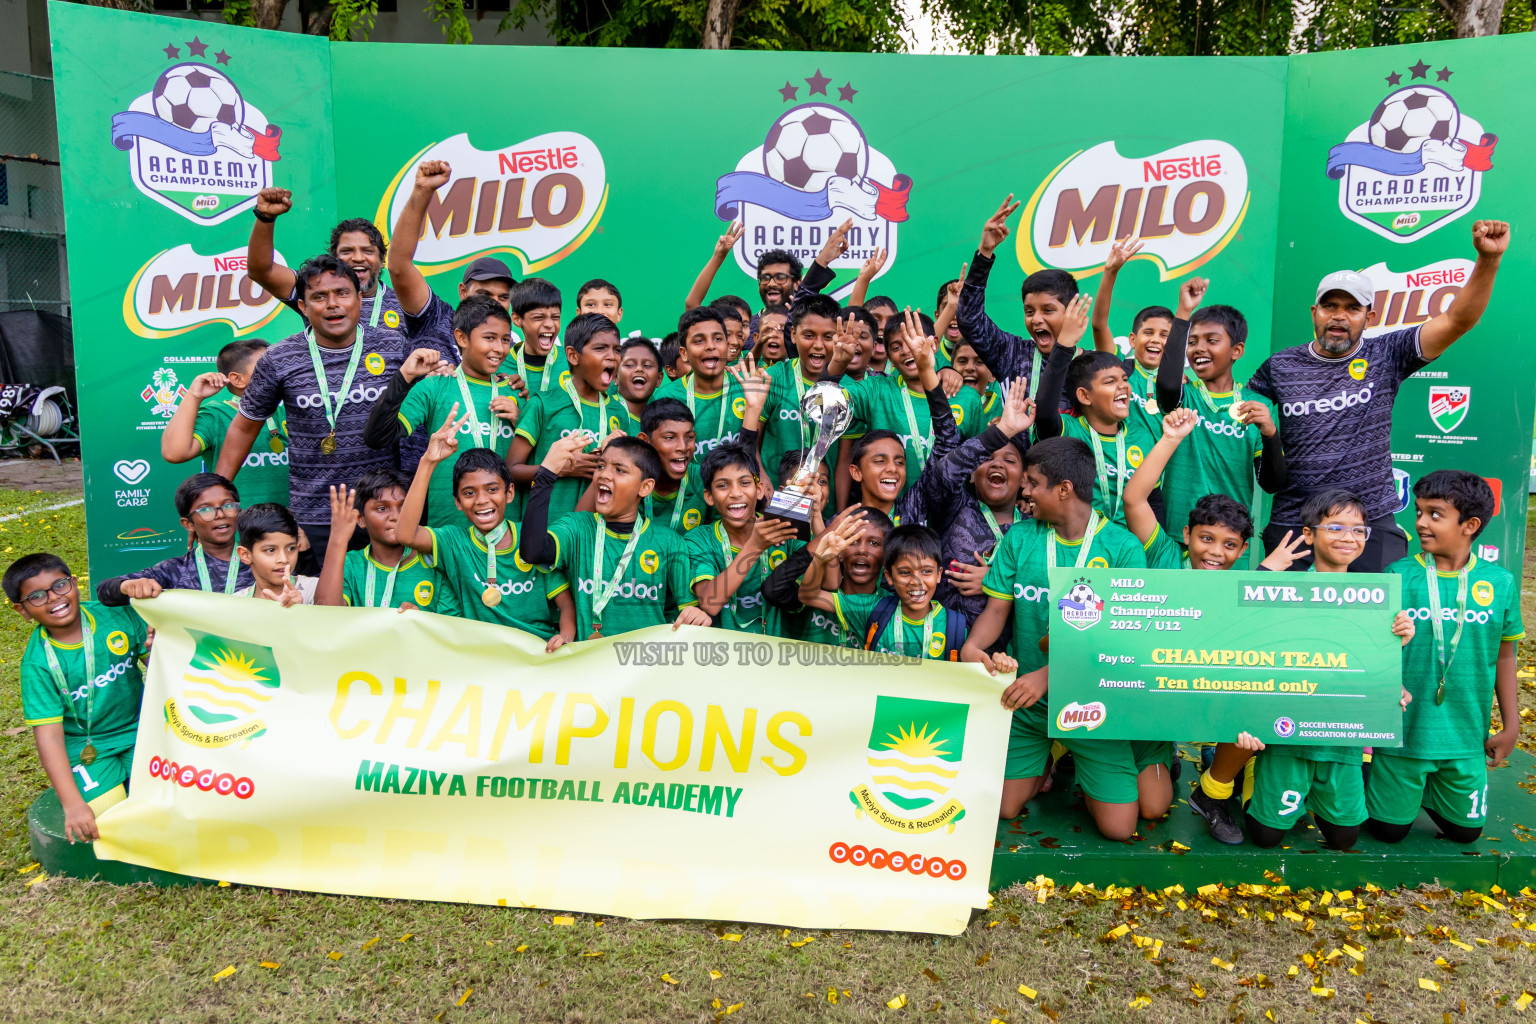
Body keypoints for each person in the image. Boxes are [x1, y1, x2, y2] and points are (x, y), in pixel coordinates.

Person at [1247, 219, 1510, 571]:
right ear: (1314, 312)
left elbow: (1456, 320)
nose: (1339, 317)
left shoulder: (1387, 354)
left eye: (1352, 308)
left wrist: (1488, 261)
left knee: (1378, 625)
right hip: (1297, 521)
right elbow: (1241, 423)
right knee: (1286, 624)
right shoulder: (1278, 366)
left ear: (1369, 317)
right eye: (1330, 306)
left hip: (1368, 523)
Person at [961, 436, 1156, 839]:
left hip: (1091, 705)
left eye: (1032, 483)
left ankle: (1079, 758)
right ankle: (1047, 753)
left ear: (1063, 489)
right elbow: (998, 609)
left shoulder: (1121, 547)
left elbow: (1116, 641)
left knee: (1120, 829)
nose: (1024, 490)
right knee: (1003, 808)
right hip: (1027, 703)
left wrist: (1050, 675)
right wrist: (973, 646)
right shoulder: (1020, 537)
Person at [217, 255, 431, 570]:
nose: (332, 304)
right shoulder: (278, 358)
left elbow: (436, 400)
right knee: (321, 609)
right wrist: (212, 497)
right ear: (303, 306)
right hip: (314, 516)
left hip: (386, 509)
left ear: (359, 298)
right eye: (319, 296)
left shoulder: (396, 347)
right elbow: (244, 427)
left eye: (342, 293)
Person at [1121, 409, 1260, 844]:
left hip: (1210, 690)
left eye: (1229, 545)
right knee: (1153, 806)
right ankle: (1165, 754)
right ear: (1185, 533)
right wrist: (1170, 439)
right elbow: (1134, 501)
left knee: (1257, 712)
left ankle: (1214, 790)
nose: (1215, 552)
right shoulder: (1162, 554)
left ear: (1242, 550)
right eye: (1206, 538)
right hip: (1157, 691)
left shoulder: (1244, 586)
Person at [1368, 471, 1522, 845]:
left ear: (1470, 525)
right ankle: (1379, 778)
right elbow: (1376, 652)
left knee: (1466, 834)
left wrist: (1511, 725)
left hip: (1465, 735)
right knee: (1389, 833)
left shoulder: (1499, 582)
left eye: (1435, 514)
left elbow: (1504, 655)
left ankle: (1428, 790)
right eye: (1419, 512)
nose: (1420, 522)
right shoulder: (1397, 574)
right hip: (1404, 735)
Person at [396, 416, 574, 646]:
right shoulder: (453, 541)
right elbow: (405, 535)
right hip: (481, 659)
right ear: (457, 502)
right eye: (469, 493)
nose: (481, 500)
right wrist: (428, 462)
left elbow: (566, 606)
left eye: (492, 489)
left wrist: (566, 637)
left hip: (536, 652)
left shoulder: (531, 538)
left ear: (509, 493)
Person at [11, 551, 151, 843]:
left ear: (74, 583)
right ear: (21, 610)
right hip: (88, 744)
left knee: (167, 797)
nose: (53, 598)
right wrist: (72, 804)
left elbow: (162, 666)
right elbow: (48, 737)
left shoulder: (116, 615)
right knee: (107, 821)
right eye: (37, 596)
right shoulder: (37, 665)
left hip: (142, 729)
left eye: (60, 585)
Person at [519, 433, 711, 638]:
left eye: (619, 470)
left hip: (647, 665)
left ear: (645, 487)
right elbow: (533, 552)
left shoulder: (670, 542)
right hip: (591, 664)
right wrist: (546, 474)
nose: (604, 475)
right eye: (601, 466)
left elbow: (688, 613)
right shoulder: (578, 528)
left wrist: (698, 614)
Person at [362, 295, 519, 527]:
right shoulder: (435, 386)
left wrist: (520, 419)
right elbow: (377, 437)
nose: (499, 348)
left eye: (505, 340)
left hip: (508, 532)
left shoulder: (517, 392)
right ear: (461, 337)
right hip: (447, 534)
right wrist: (405, 376)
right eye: (489, 338)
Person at [1153, 303, 1288, 545]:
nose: (1198, 348)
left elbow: (1271, 484)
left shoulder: (1259, 406)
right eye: (1192, 342)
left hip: (1229, 543)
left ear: (1236, 350)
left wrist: (1270, 433)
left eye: (1211, 340)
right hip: (1176, 536)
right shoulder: (1183, 397)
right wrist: (1183, 315)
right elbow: (1167, 385)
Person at [835, 310, 979, 506]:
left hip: (949, 518)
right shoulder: (876, 391)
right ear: (889, 357)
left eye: (913, 340)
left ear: (934, 343)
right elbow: (823, 403)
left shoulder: (967, 398)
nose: (906, 350)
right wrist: (838, 362)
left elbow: (979, 464)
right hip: (892, 518)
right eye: (896, 347)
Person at [1033, 306, 1155, 529]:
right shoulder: (1068, 432)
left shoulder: (1143, 437)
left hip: (1128, 550)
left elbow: (1153, 500)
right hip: (1076, 546)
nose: (1123, 386)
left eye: (1124, 379)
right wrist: (1064, 346)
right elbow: (1044, 410)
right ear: (1084, 396)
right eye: (1110, 382)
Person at [926, 383, 1034, 632]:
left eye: (1009, 460)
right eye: (987, 459)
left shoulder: (1034, 529)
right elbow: (943, 473)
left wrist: (993, 582)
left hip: (1008, 654)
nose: (997, 465)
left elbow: (1042, 590)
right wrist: (1002, 431)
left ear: (1023, 478)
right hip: (946, 645)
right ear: (972, 474)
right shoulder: (955, 507)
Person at [956, 196, 1080, 412]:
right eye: (1029, 311)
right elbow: (969, 320)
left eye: (1048, 310)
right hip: (1016, 447)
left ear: (1071, 312)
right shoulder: (1013, 353)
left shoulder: (1088, 365)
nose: (1036, 319)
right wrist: (984, 253)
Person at [384, 160, 517, 361]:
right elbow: (399, 267)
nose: (494, 303)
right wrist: (422, 191)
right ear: (463, 292)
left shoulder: (511, 349)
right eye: (484, 294)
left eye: (503, 297)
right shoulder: (435, 319)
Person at [507, 313, 626, 523]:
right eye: (600, 348)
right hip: (545, 531)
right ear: (572, 356)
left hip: (596, 536)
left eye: (617, 350)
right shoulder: (543, 404)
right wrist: (559, 468)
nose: (612, 356)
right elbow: (510, 470)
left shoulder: (618, 412)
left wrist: (605, 459)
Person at [801, 521, 968, 659]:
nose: (916, 582)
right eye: (905, 572)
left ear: (939, 574)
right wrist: (821, 558)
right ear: (889, 577)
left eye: (926, 571)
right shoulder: (873, 610)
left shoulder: (953, 627)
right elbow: (809, 595)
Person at [246, 188, 402, 331]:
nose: (358, 258)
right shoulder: (313, 288)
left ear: (382, 260)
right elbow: (262, 271)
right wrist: (265, 218)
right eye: (347, 251)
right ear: (335, 259)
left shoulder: (406, 304)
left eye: (367, 251)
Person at [686, 442, 800, 635]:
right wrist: (755, 546)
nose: (736, 493)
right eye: (723, 485)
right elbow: (710, 603)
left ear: (759, 489)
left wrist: (815, 520)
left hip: (779, 658)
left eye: (745, 483)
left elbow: (827, 584)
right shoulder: (699, 539)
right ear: (709, 496)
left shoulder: (784, 530)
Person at [160, 340, 288, 506]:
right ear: (237, 379)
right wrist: (193, 396)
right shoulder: (217, 415)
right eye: (266, 367)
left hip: (291, 526)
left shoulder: (289, 412)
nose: (279, 373)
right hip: (239, 527)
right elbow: (174, 453)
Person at [96, 473, 253, 603]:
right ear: (188, 524)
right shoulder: (175, 570)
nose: (220, 515)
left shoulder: (259, 561)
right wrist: (126, 586)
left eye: (228, 506)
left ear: (239, 513)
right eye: (206, 509)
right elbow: (104, 591)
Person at [315, 471, 455, 615]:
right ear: (361, 519)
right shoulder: (350, 564)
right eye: (382, 509)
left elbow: (450, 629)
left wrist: (421, 620)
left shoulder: (434, 563)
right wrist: (337, 540)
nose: (396, 516)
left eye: (403, 508)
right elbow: (325, 615)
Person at [764, 502, 890, 648]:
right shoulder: (813, 585)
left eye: (874, 543)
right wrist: (825, 536)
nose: (862, 550)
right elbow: (773, 590)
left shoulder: (889, 606)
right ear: (840, 552)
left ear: (886, 556)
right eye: (852, 540)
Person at [654, 307, 747, 455]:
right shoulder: (667, 398)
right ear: (684, 354)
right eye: (699, 341)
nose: (711, 346)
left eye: (718, 339)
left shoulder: (746, 389)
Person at [637, 398, 708, 533]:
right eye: (670, 438)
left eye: (689, 437)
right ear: (645, 442)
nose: (683, 447)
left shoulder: (705, 480)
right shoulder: (631, 481)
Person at [233, 502, 319, 604]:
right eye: (271, 550)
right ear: (245, 555)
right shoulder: (236, 604)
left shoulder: (315, 590)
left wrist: (298, 611)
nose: (284, 559)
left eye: (291, 548)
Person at [509, 278, 565, 396]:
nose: (549, 324)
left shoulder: (574, 363)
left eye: (555, 317)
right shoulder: (501, 365)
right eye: (539, 317)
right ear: (517, 319)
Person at [616, 336, 663, 423]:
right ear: (615, 377)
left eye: (647, 365)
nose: (639, 369)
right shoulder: (605, 411)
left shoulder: (664, 420)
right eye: (629, 365)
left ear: (659, 379)